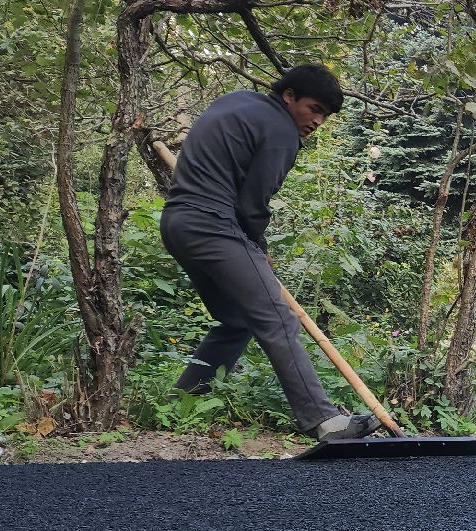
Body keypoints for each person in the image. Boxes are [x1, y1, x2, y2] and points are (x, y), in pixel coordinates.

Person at [159, 65, 380, 441]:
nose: (317, 121)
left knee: (237, 320)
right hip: (214, 227)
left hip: (177, 224)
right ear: (289, 95)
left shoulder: (237, 102)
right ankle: (322, 420)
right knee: (277, 319)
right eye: (313, 109)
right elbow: (252, 204)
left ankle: (186, 399)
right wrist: (257, 248)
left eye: (325, 115)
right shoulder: (281, 131)